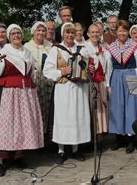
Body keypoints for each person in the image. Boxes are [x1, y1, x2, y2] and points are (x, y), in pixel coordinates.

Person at [0, 24, 44, 177]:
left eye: (18, 33)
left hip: (26, 93)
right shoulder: (3, 53)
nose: (16, 36)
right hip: (9, 94)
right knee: (6, 126)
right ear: (9, 37)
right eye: (13, 34)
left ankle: (18, 157)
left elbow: (32, 72)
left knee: (22, 126)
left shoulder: (26, 52)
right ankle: (0, 161)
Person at [44, 22, 91, 164]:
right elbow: (47, 71)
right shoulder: (56, 50)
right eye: (67, 33)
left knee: (77, 116)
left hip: (79, 89)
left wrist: (89, 69)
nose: (70, 35)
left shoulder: (82, 49)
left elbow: (87, 67)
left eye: (72, 33)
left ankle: (76, 149)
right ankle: (61, 150)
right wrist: (61, 71)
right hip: (63, 89)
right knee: (63, 118)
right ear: (63, 34)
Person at [106, 19, 137, 154]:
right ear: (116, 32)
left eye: (124, 30)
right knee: (117, 107)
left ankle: (131, 139)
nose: (122, 33)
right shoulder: (111, 47)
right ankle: (118, 138)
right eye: (119, 30)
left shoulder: (134, 46)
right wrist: (108, 84)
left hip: (131, 76)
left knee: (130, 108)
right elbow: (109, 67)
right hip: (116, 77)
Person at [24, 21, 55, 142]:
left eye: (43, 30)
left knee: (49, 109)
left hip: (49, 82)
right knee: (37, 109)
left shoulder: (50, 46)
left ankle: (48, 139)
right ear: (33, 31)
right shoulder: (27, 46)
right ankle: (37, 138)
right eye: (39, 30)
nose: (41, 33)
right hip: (35, 81)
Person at [85, 23, 109, 135]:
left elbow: (107, 65)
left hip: (102, 80)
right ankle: (93, 132)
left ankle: (101, 132)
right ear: (88, 34)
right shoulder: (84, 47)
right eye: (93, 32)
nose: (95, 34)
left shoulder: (103, 47)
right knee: (92, 106)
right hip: (91, 81)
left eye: (97, 32)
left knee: (102, 107)